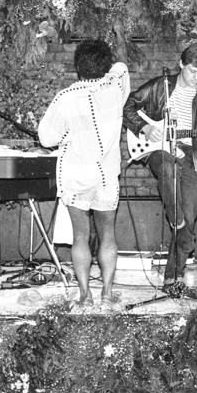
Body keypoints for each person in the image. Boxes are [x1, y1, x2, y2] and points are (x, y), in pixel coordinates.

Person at [37, 26, 129, 309]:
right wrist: (120, 36)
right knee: (108, 235)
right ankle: (107, 293)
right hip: (106, 176)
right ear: (106, 65)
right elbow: (123, 65)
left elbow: (45, 138)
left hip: (77, 176)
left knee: (80, 235)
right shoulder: (116, 88)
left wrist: (67, 135)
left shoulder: (65, 98)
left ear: (78, 68)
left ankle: (85, 295)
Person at [123, 43, 197, 291]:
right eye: (192, 71)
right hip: (158, 148)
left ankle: (172, 279)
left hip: (189, 155)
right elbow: (128, 107)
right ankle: (179, 225)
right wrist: (145, 128)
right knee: (166, 168)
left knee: (190, 219)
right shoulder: (159, 86)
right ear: (181, 65)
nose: (196, 77)